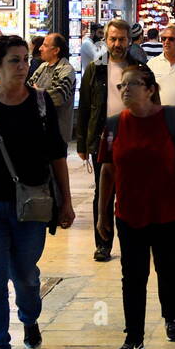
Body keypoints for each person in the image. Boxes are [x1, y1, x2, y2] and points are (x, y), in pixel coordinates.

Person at [0, 35, 74, 349]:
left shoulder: (40, 104)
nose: (22, 66)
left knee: (26, 276)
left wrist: (67, 201)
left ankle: (29, 319)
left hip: (31, 206)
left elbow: (58, 155)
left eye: (25, 59)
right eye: (14, 60)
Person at [97, 63, 175, 349]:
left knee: (168, 269)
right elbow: (107, 170)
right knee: (132, 275)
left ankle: (172, 317)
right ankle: (134, 338)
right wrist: (103, 214)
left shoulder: (172, 118)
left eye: (132, 85)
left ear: (150, 89)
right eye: (121, 86)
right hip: (130, 213)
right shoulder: (114, 124)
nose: (125, 90)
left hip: (169, 210)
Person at [75, 18, 134, 262]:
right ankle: (103, 244)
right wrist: (82, 143)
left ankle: (132, 242)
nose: (117, 43)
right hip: (104, 139)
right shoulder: (95, 69)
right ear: (106, 40)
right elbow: (86, 106)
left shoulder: (139, 68)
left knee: (130, 193)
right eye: (113, 39)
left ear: (128, 40)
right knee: (103, 193)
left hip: (132, 138)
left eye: (121, 39)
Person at [31, 32, 77, 147]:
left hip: (58, 133)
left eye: (45, 45)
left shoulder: (66, 70)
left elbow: (58, 97)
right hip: (40, 131)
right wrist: (40, 92)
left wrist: (36, 91)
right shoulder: (43, 67)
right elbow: (26, 89)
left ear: (56, 50)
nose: (40, 48)